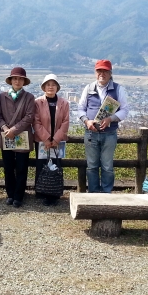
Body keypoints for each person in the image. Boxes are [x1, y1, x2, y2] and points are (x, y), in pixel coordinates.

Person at [77, 60, 129, 193]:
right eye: (99, 71)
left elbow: (124, 110)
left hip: (109, 133)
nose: (102, 74)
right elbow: (81, 109)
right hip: (91, 133)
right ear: (95, 73)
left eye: (105, 71)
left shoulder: (118, 89)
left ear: (110, 73)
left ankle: (106, 193)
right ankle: (93, 192)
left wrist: (111, 119)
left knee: (107, 166)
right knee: (91, 165)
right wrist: (86, 121)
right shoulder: (88, 88)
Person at [0, 67, 36, 208]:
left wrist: (13, 130)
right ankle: (10, 194)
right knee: (8, 166)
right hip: (6, 135)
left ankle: (19, 196)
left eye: (20, 79)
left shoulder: (29, 97)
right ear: (11, 80)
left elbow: (29, 117)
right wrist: (5, 128)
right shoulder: (3, 96)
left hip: (22, 136)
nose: (17, 81)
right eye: (15, 79)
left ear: (24, 81)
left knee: (22, 167)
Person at [33, 73, 70, 205]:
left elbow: (66, 122)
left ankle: (54, 193)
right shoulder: (37, 102)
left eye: (53, 85)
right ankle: (41, 192)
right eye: (48, 85)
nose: (50, 87)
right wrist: (46, 139)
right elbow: (36, 122)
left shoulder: (64, 103)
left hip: (58, 142)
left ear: (57, 87)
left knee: (56, 166)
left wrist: (56, 140)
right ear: (43, 87)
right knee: (41, 165)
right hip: (41, 141)